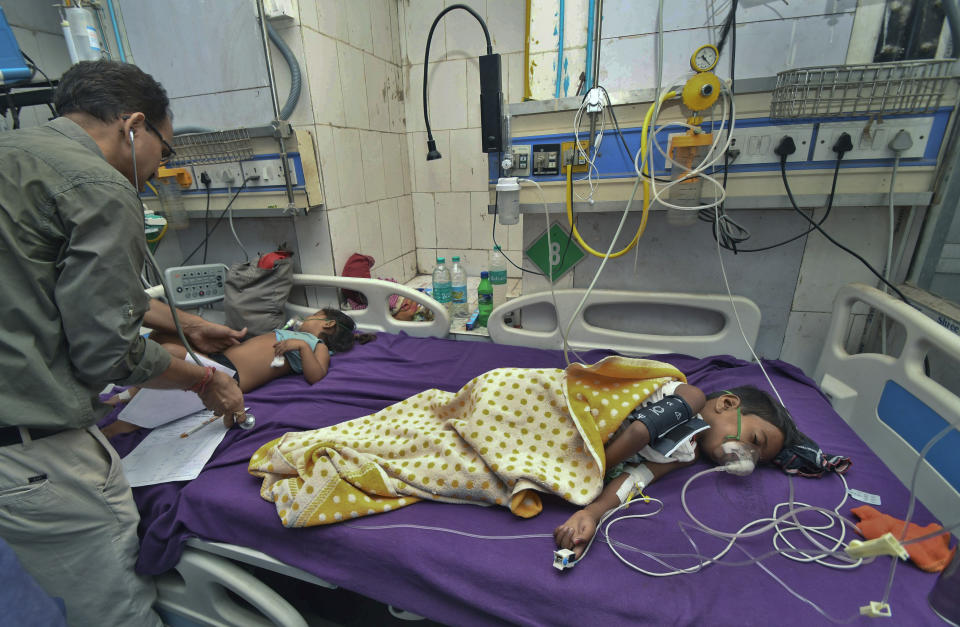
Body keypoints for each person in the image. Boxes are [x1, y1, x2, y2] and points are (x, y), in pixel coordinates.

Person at [0, 60, 246, 627]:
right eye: (166, 148)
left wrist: (188, 323)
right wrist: (208, 378)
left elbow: (42, 286)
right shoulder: (99, 188)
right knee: (115, 608)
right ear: (134, 125)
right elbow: (109, 353)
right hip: (35, 448)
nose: (161, 167)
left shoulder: (17, 158)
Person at [553, 383, 799, 560]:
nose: (746, 454)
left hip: (572, 445)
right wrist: (587, 472)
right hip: (565, 404)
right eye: (754, 439)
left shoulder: (686, 456)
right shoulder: (691, 398)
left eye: (755, 457)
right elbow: (640, 432)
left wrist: (592, 513)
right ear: (727, 403)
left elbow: (635, 478)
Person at [105, 309, 375, 430]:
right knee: (163, 340)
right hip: (220, 360)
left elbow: (317, 376)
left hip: (229, 377)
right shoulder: (292, 331)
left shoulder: (316, 344)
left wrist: (302, 348)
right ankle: (123, 397)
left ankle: (121, 413)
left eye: (312, 316)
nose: (305, 319)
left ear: (326, 325)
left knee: (173, 356)